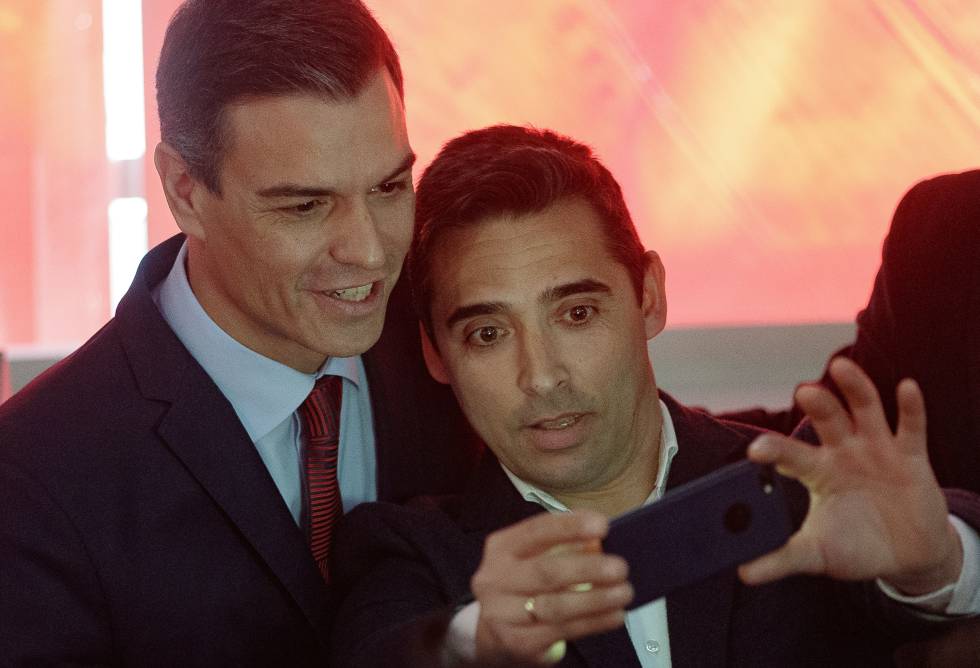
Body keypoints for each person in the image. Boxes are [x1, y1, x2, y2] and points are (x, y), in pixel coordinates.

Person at [328, 125, 980, 666]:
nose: (542, 376)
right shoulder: (410, 550)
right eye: (489, 333)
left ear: (649, 297)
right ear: (435, 353)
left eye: (577, 314)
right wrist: (476, 642)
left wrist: (940, 565)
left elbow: (904, 573)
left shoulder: (793, 485)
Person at [0, 1, 477, 666]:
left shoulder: (469, 343)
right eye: (305, 206)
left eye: (390, 187)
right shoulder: (32, 477)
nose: (370, 251)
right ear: (185, 191)